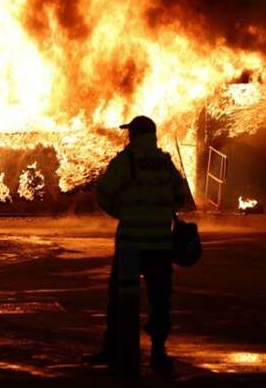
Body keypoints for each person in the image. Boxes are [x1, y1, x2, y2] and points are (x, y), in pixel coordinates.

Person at [83, 115, 189, 371]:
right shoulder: (164, 162)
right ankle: (159, 353)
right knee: (160, 299)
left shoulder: (127, 160)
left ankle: (115, 351)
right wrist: (162, 212)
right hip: (161, 246)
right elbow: (180, 196)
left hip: (130, 245)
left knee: (120, 298)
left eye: (130, 133)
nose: (127, 137)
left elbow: (104, 193)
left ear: (136, 135)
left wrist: (122, 212)